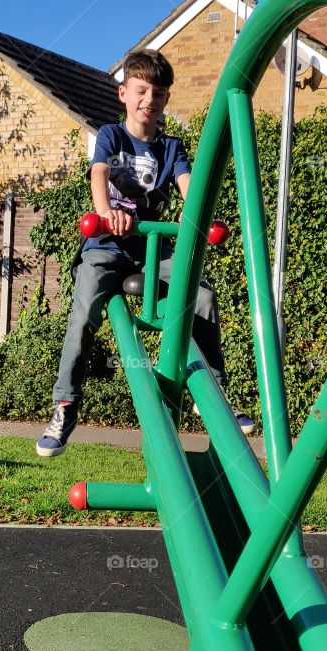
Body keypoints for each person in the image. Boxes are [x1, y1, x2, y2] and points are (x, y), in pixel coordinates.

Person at [36, 47, 254, 458]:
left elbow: (189, 188)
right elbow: (99, 172)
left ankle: (215, 394)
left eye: (157, 93)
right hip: (106, 244)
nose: (148, 100)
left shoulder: (171, 149)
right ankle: (65, 405)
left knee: (203, 298)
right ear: (124, 94)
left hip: (152, 247)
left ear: (166, 100)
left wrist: (200, 217)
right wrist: (105, 213)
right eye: (140, 90)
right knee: (84, 313)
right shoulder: (111, 136)